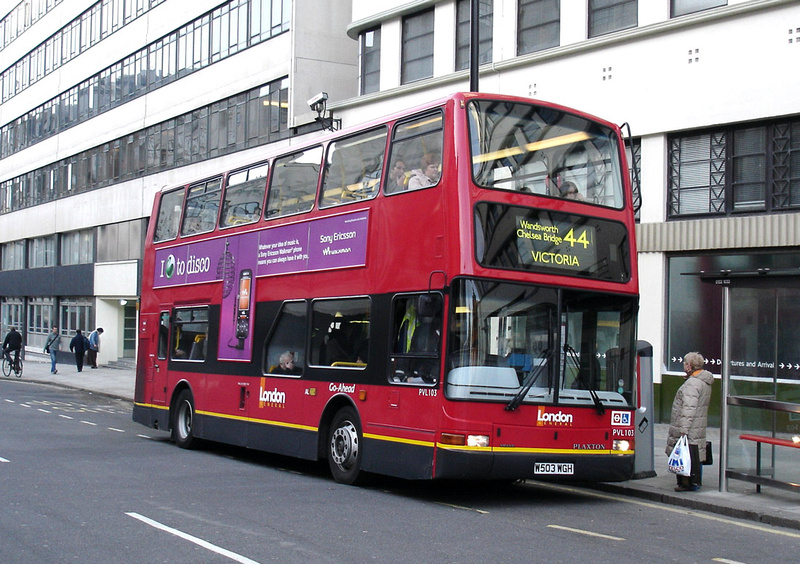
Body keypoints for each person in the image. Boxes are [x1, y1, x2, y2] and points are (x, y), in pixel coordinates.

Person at [666, 351, 713, 492]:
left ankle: (687, 483)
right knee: (696, 453)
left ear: (689, 366)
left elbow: (688, 408)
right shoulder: (704, 381)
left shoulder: (692, 384)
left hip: (690, 426)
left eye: (685, 364)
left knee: (687, 453)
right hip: (698, 425)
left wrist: (683, 429)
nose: (684, 366)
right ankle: (695, 481)